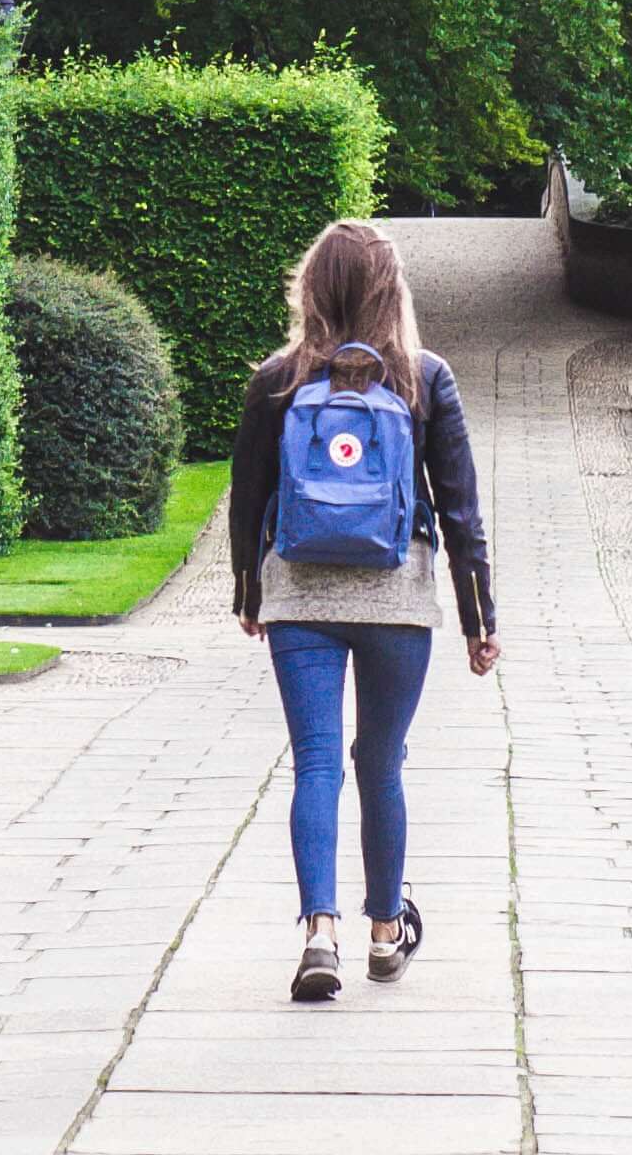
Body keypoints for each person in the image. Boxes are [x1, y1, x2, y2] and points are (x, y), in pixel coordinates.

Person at [231, 217, 499, 1004]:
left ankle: (320, 931)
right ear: (392, 289)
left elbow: (246, 501)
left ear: (311, 287)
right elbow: (460, 510)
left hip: (299, 593)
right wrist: (479, 619)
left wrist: (251, 594)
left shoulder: (280, 378)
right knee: (379, 762)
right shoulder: (422, 378)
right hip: (398, 598)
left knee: (314, 762)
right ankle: (387, 932)